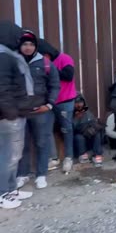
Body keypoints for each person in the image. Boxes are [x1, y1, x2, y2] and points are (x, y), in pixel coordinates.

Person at [17, 31, 60, 190]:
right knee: (22, 144)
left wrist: (48, 105)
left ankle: (41, 175)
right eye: (25, 44)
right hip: (20, 112)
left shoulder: (46, 64)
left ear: (35, 47)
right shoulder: (15, 62)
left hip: (42, 112)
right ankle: (22, 174)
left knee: (42, 143)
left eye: (31, 44)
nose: (28, 47)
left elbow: (55, 86)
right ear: (20, 46)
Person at [0, 22, 35, 209]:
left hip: (14, 113)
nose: (19, 40)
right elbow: (2, 88)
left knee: (13, 154)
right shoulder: (3, 57)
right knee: (9, 155)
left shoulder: (7, 54)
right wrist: (11, 113)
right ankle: (3, 193)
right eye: (17, 36)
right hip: (8, 116)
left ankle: (11, 189)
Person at [37, 39, 77, 173]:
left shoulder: (64, 58)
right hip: (48, 102)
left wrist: (51, 69)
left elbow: (69, 76)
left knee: (67, 129)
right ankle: (53, 158)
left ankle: (68, 157)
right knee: (47, 129)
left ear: (47, 52)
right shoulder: (40, 63)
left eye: (42, 55)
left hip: (65, 101)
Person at [73, 94, 104, 166]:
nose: (79, 104)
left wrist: (92, 127)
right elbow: (72, 127)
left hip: (89, 136)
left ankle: (97, 155)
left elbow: (93, 122)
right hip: (80, 138)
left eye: (80, 102)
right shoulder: (72, 113)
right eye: (76, 103)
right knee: (79, 137)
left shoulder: (87, 111)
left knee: (96, 133)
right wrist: (78, 120)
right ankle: (83, 155)